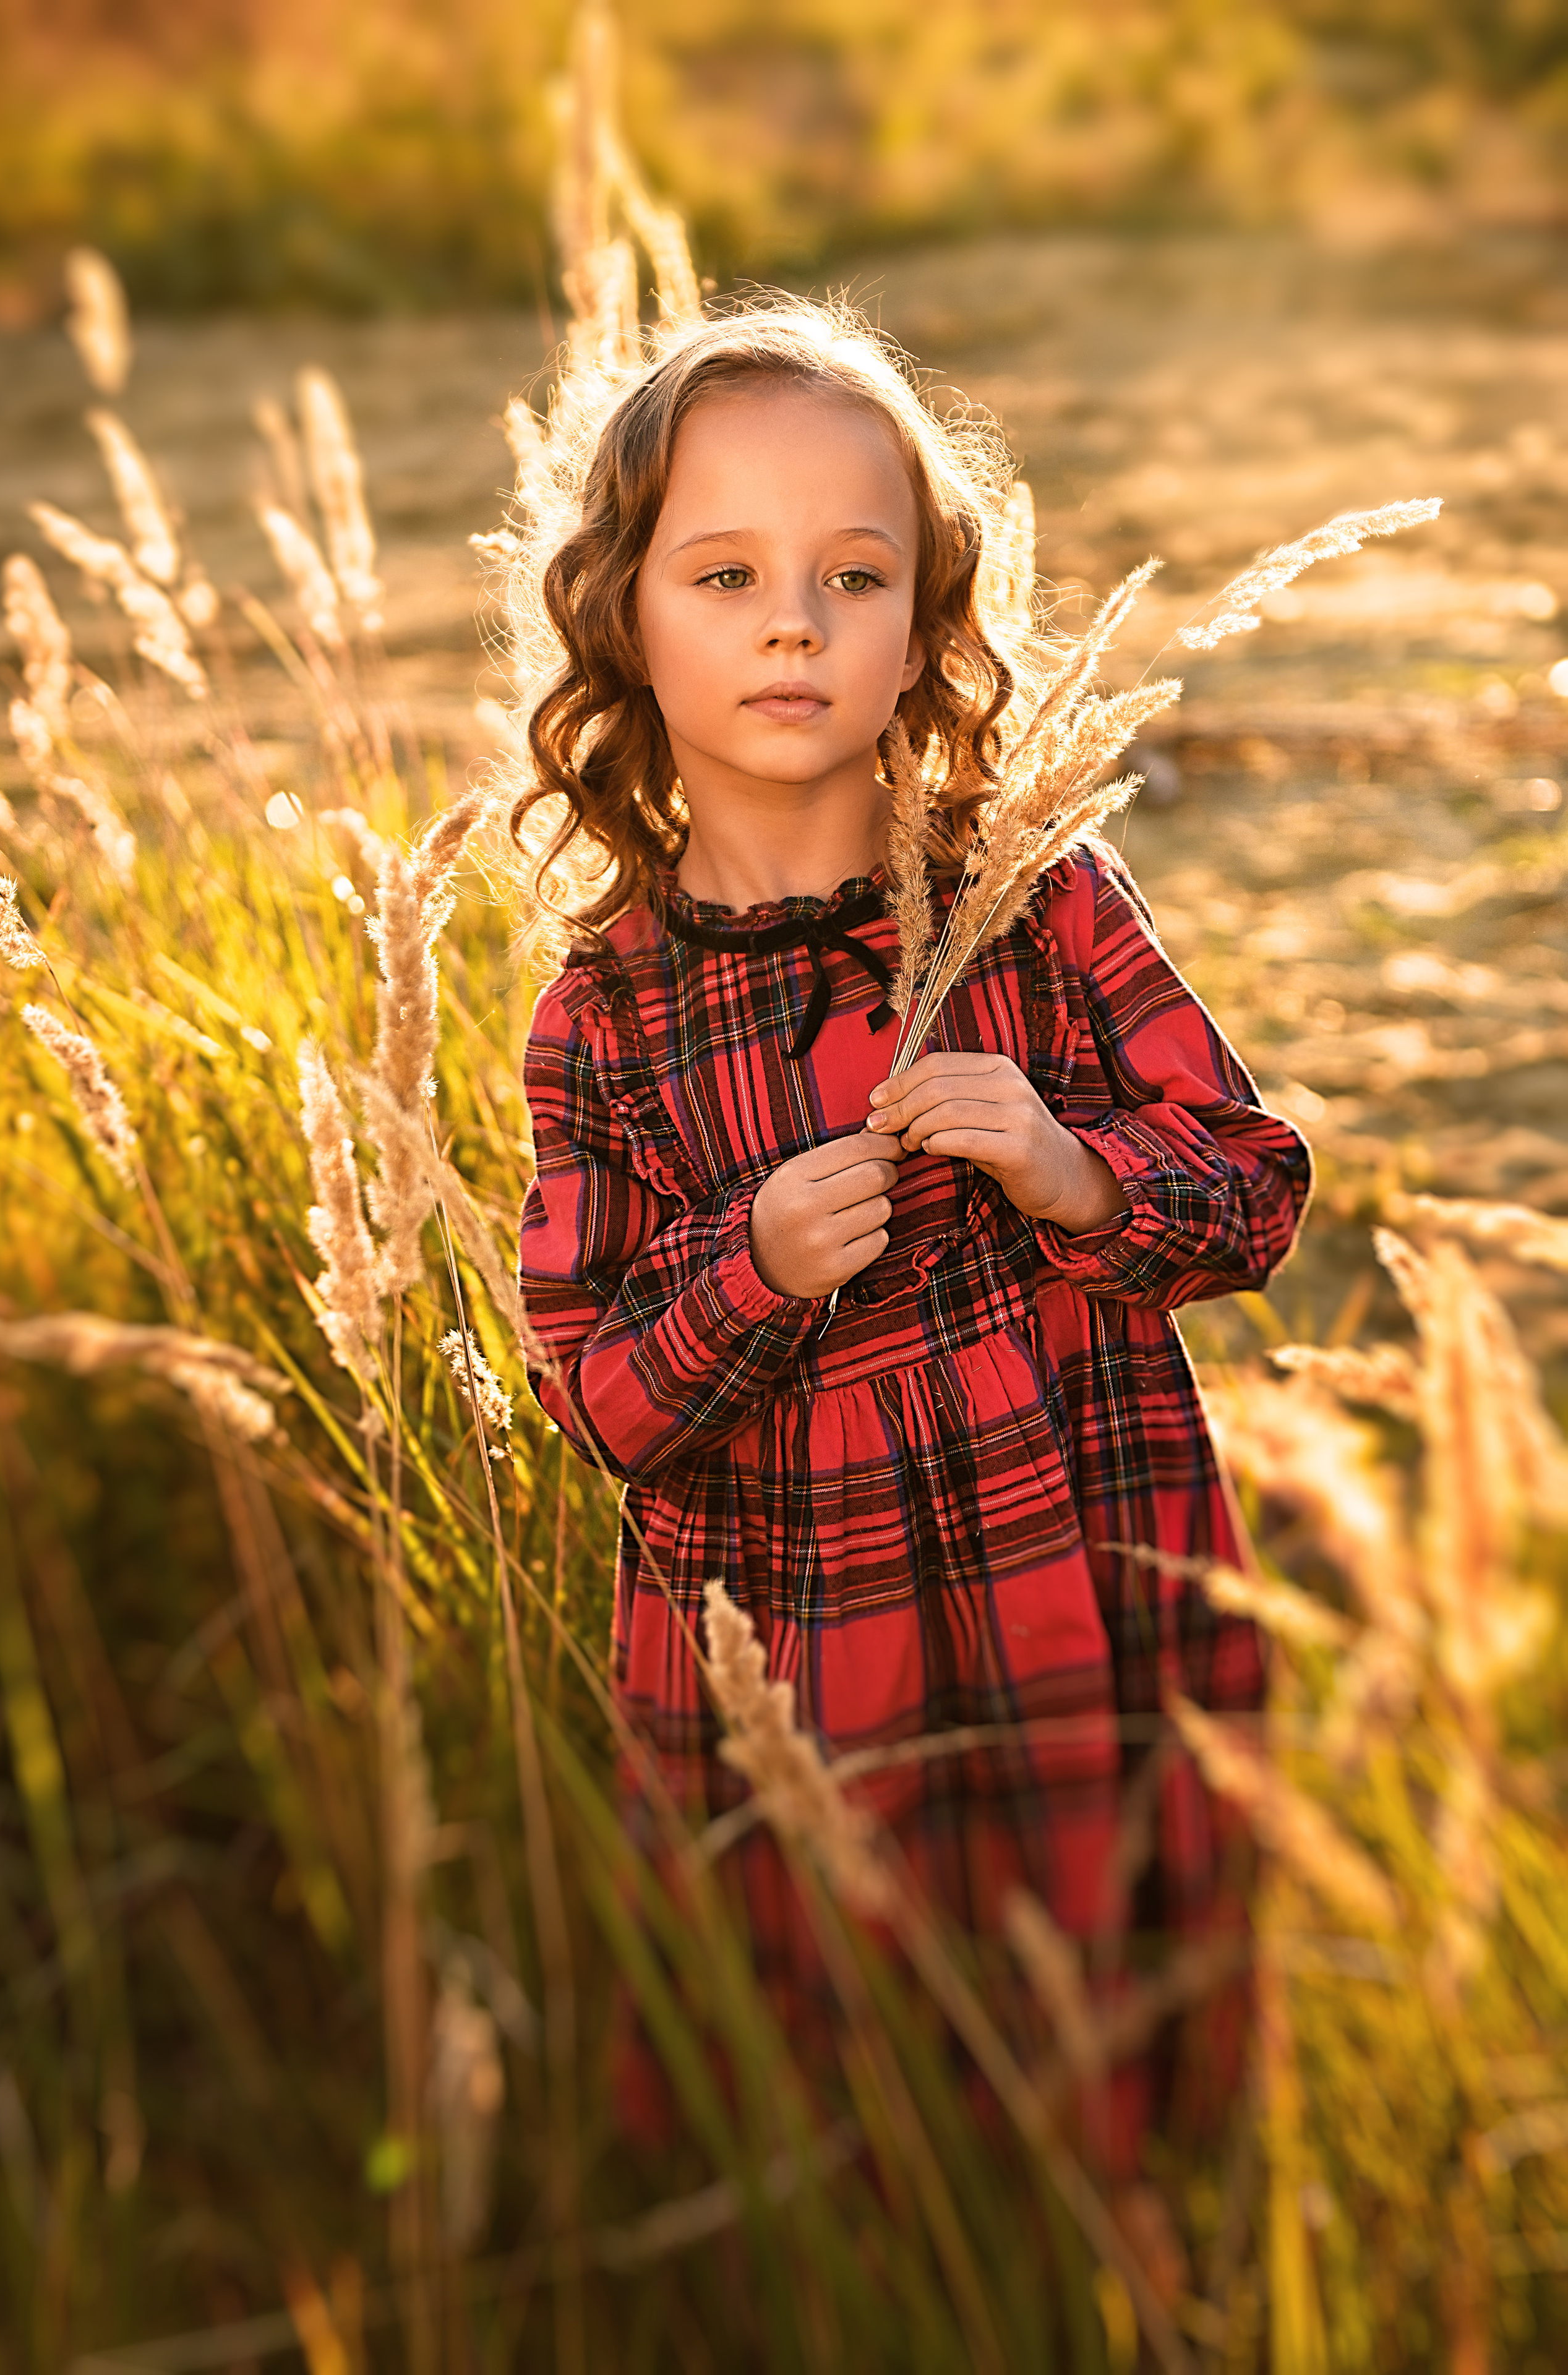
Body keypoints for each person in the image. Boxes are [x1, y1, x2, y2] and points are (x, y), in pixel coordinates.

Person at [512, 299, 1312, 2188]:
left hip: (1084, 1586)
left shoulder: (1034, 899)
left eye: (853, 574)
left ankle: (1131, 2254)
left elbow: (1254, 1182)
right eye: (726, 573)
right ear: (626, 619)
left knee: (1112, 2026)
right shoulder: (609, 1014)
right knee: (843, 2066)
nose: (795, 621)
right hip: (812, 1643)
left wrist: (1071, 1167)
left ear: (926, 623)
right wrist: (755, 1266)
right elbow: (597, 1396)